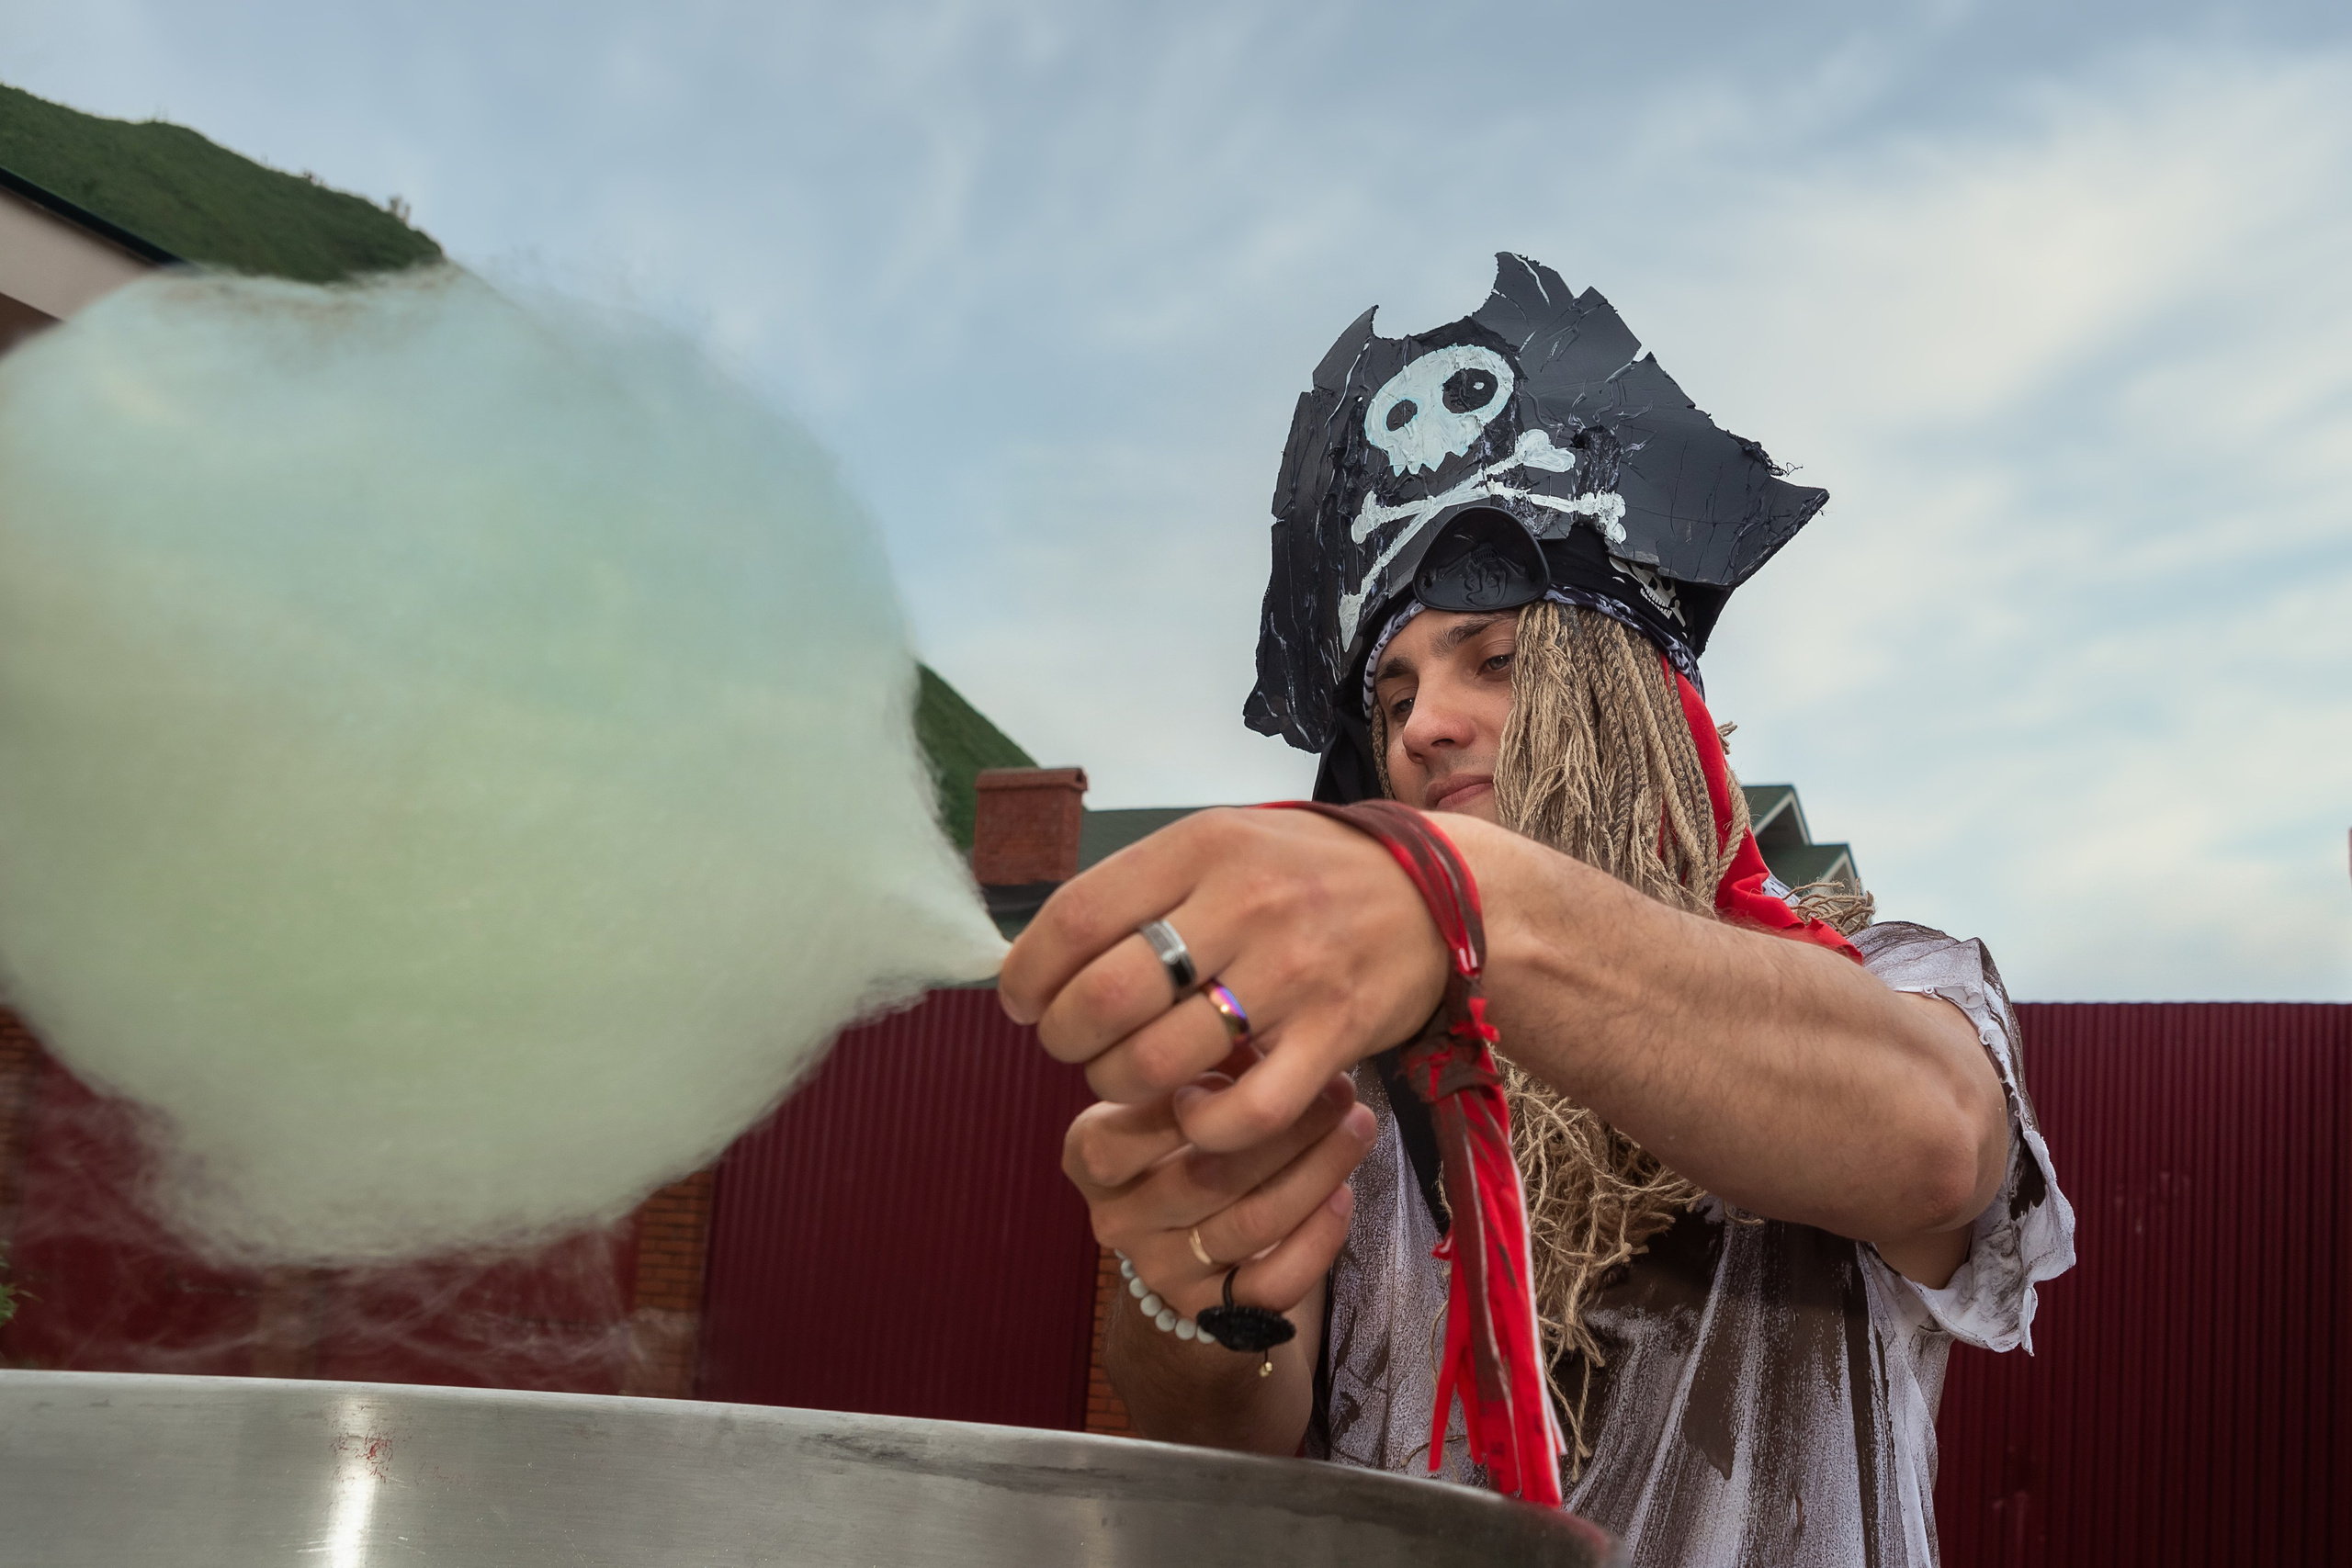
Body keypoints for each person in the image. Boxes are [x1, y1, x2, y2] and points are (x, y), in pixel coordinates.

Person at [999, 254, 2075, 1565]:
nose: (1424, 727)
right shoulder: (1350, 1072)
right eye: (1389, 700)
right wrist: (1196, 1287)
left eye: (1495, 659)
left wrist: (1461, 903)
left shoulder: (1891, 982)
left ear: (1632, 710)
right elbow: (1226, 1441)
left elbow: (1934, 1145)